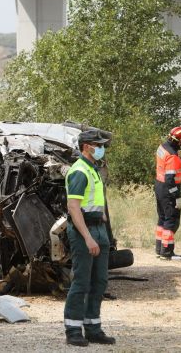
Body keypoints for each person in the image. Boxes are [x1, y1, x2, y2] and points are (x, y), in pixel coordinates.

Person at [64, 129, 116, 347]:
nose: (102, 149)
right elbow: (73, 207)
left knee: (99, 281)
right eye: (99, 145)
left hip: (98, 229)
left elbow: (93, 200)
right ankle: (73, 330)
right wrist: (88, 238)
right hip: (84, 231)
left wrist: (102, 217)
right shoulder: (79, 171)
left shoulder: (92, 169)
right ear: (87, 146)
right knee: (82, 282)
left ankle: (93, 328)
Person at [154, 126, 181, 260]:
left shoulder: (162, 147)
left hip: (159, 186)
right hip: (168, 190)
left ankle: (159, 249)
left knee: (162, 217)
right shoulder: (173, 156)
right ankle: (167, 252)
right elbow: (170, 180)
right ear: (179, 141)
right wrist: (176, 196)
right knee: (171, 220)